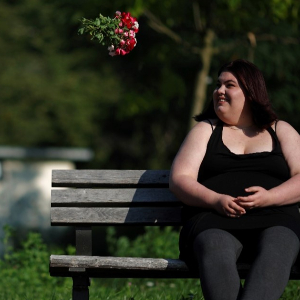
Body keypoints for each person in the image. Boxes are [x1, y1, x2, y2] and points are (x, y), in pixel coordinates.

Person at [169, 59, 300, 300]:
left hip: (276, 218)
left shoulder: (280, 129)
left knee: (278, 246)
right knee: (214, 246)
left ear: (251, 92)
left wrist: (269, 197)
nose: (219, 91)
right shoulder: (205, 130)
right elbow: (179, 179)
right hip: (214, 219)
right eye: (218, 85)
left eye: (229, 85)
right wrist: (215, 199)